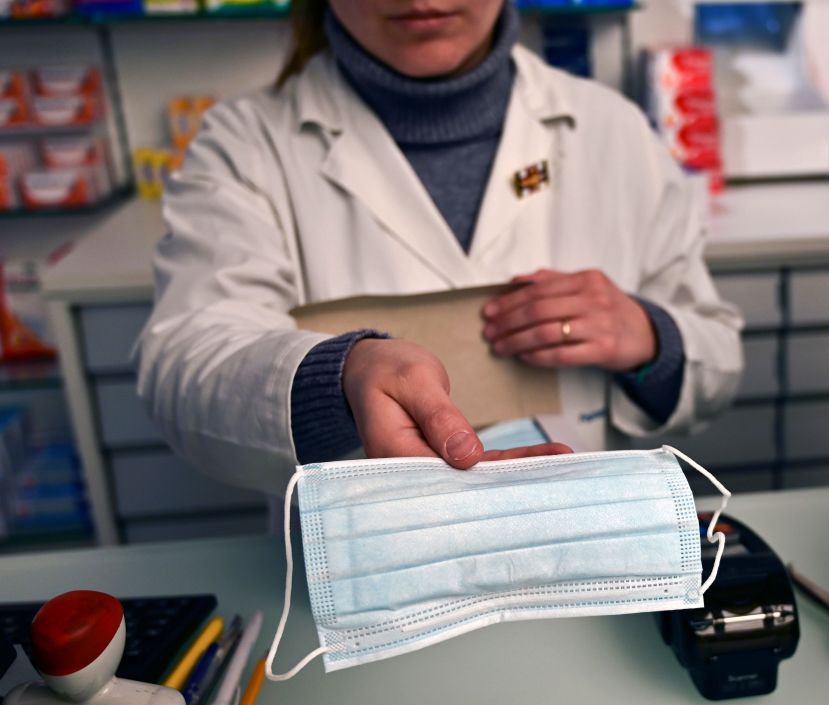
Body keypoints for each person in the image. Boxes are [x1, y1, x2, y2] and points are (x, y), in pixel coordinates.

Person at [135, 0, 744, 495]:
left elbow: (716, 359)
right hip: (365, 580)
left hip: (581, 556)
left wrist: (649, 340)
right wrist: (337, 378)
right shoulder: (245, 147)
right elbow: (186, 369)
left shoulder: (611, 128)